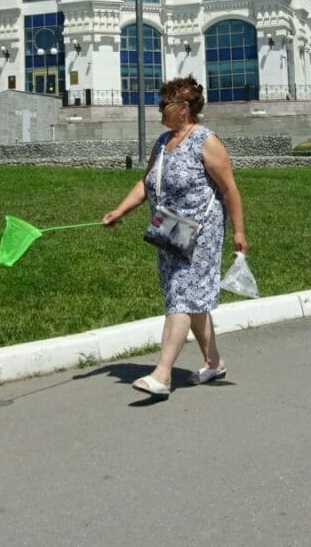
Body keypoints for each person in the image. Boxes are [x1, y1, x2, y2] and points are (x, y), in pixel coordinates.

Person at [102, 75, 248, 397]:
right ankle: (213, 362)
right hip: (169, 230)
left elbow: (229, 189)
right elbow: (145, 184)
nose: (159, 109)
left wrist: (239, 231)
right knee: (190, 299)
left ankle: (162, 374)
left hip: (201, 233)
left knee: (181, 294)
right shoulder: (163, 142)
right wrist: (120, 211)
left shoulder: (206, 141)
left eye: (164, 104)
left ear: (183, 108)